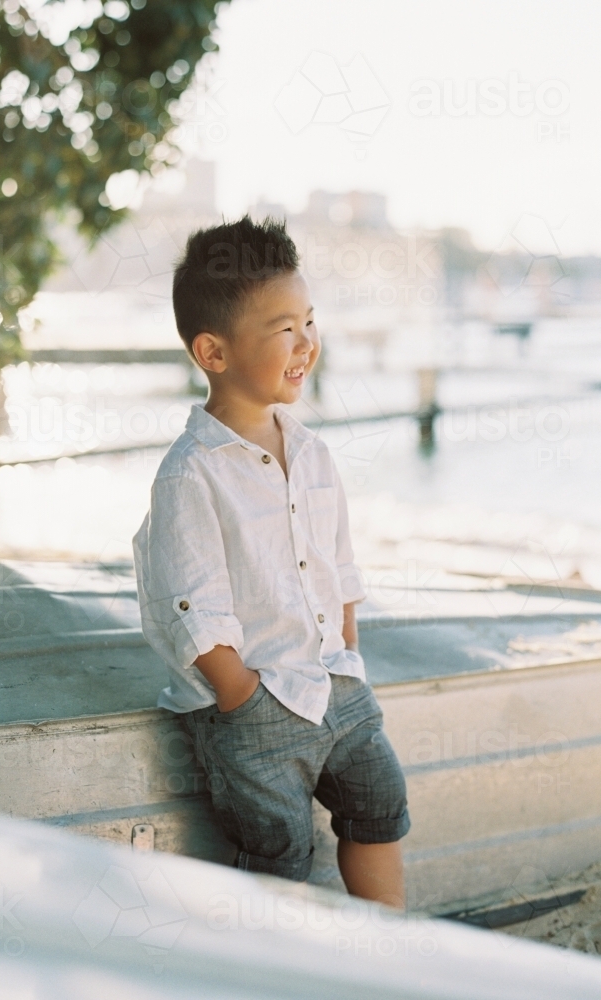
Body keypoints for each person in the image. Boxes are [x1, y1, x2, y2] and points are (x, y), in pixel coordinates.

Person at [133, 215, 410, 907]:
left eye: (309, 321)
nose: (307, 342)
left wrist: (347, 651)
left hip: (332, 681)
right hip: (254, 706)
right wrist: (240, 694)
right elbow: (191, 603)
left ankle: (391, 958)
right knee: (279, 847)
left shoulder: (311, 452)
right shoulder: (191, 473)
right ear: (214, 351)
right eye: (283, 327)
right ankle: (271, 970)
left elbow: (337, 566)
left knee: (379, 800)